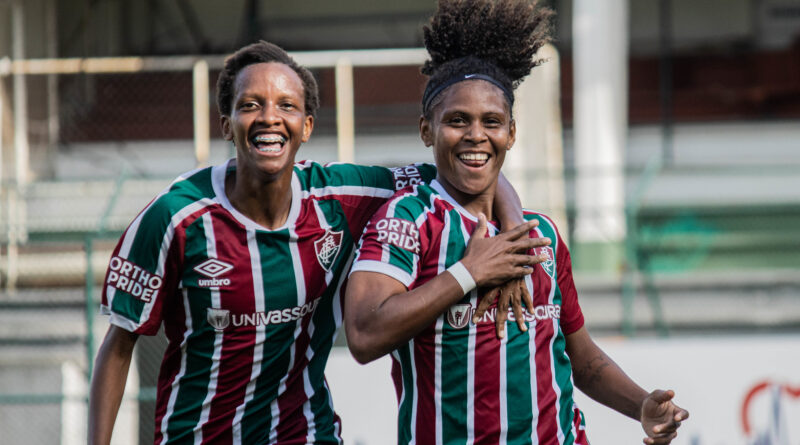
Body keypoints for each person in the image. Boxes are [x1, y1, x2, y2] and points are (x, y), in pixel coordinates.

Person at [88, 40, 543, 445]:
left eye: (285, 106)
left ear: (306, 126)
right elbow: (120, 344)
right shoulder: (174, 217)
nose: (269, 118)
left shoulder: (342, 198)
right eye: (251, 105)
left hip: (306, 430)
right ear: (227, 125)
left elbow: (468, 167)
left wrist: (512, 231)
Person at [344, 1, 690, 444]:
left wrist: (640, 405)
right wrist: (468, 273)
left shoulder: (541, 233)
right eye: (456, 121)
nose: (475, 135)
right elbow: (364, 333)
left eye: (491, 121)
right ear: (427, 131)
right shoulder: (408, 219)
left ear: (511, 132)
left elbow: (579, 356)